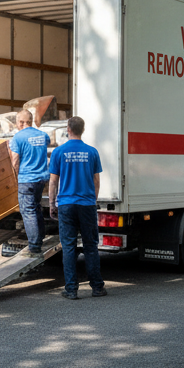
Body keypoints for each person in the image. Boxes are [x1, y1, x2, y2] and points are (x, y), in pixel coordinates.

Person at [48, 116, 106, 300]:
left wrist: (52, 203)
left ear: (68, 129)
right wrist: (92, 200)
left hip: (66, 205)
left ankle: (71, 289)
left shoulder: (59, 152)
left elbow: (53, 181)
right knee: (91, 246)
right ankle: (97, 287)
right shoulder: (92, 152)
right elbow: (96, 181)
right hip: (86, 204)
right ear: (83, 129)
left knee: (69, 247)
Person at [8, 109, 51, 256]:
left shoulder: (18, 138)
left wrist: (15, 179)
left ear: (20, 122)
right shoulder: (43, 135)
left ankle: (34, 245)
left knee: (28, 211)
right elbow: (47, 144)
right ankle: (41, 236)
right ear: (31, 121)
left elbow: (15, 161)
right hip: (42, 179)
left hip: (26, 179)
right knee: (37, 207)